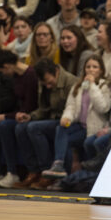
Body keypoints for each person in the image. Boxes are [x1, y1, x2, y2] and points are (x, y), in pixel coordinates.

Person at [42, 55, 111, 179]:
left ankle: (66, 177)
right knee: (61, 128)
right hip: (80, 125)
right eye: (88, 67)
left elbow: (103, 107)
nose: (91, 70)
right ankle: (59, 166)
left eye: (95, 67)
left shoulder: (105, 86)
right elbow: (71, 106)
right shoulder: (78, 86)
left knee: (65, 142)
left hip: (94, 128)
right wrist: (67, 117)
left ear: (101, 70)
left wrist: (92, 86)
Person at [0, 49, 39, 188]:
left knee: (4, 125)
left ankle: (12, 172)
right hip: (18, 114)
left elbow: (29, 107)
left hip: (31, 115)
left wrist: (2, 116)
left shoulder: (31, 75)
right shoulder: (16, 76)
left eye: (2, 71)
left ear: (7, 66)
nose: (3, 74)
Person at [24, 58, 78, 190]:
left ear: (57, 71)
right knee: (22, 127)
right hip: (53, 119)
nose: (47, 86)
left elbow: (73, 108)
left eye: (49, 82)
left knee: (35, 128)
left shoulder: (71, 82)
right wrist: (31, 116)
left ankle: (48, 173)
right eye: (45, 84)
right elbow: (45, 108)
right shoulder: (43, 82)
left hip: (68, 121)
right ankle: (39, 171)